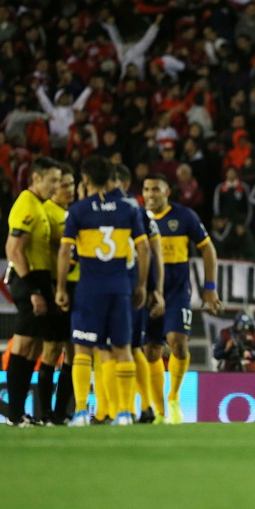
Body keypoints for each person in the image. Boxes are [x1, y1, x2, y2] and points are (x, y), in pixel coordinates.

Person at [55, 155, 149, 426]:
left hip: (89, 289)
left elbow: (64, 250)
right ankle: (123, 413)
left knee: (82, 349)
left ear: (85, 179)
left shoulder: (79, 210)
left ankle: (82, 411)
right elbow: (143, 249)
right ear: (110, 178)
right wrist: (141, 284)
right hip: (120, 289)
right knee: (123, 349)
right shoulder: (129, 208)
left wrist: (61, 287)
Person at [142, 172, 223, 424]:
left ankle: (174, 398)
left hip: (176, 291)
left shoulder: (184, 216)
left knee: (177, 341)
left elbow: (208, 248)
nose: (150, 195)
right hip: (146, 292)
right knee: (151, 350)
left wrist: (210, 287)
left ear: (167, 192)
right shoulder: (136, 218)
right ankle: (159, 412)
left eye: (156, 189)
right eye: (146, 189)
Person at [4, 157, 61, 426]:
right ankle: (13, 415)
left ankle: (20, 412)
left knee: (34, 346)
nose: (56, 185)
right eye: (52, 180)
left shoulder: (39, 206)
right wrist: (34, 290)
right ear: (36, 179)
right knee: (24, 344)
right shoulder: (26, 204)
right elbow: (14, 250)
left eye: (59, 180)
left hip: (39, 280)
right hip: (29, 280)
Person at [109, 164, 165, 423]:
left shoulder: (136, 213)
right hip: (124, 287)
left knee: (124, 348)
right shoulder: (140, 214)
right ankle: (140, 407)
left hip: (128, 288)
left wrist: (154, 289)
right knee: (131, 348)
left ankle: (130, 408)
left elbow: (154, 254)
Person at [40, 164, 77, 425]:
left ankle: (62, 412)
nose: (69, 189)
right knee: (52, 350)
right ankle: (44, 413)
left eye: (72, 184)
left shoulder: (74, 213)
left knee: (74, 352)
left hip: (77, 287)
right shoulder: (46, 213)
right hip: (55, 286)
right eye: (64, 185)